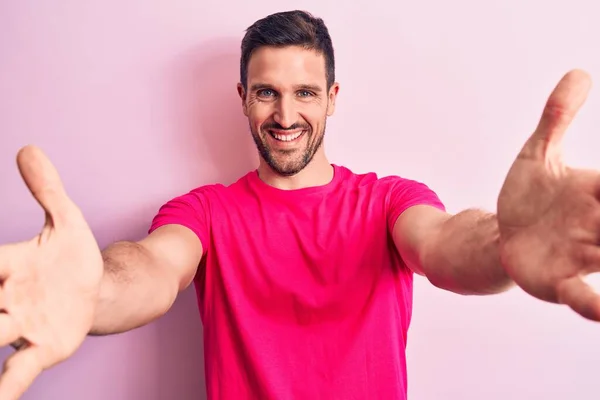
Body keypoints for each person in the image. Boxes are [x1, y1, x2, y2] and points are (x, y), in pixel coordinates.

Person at [0, 9, 598, 400]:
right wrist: (94, 292)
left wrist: (503, 245)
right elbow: (152, 268)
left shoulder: (389, 200)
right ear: (242, 97)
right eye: (267, 93)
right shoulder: (206, 212)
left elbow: (444, 246)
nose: (286, 117)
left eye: (305, 93)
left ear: (332, 98)